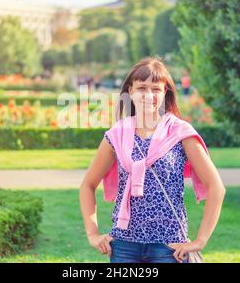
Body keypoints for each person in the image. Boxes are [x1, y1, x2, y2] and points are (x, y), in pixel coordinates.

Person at [79, 57, 225, 263]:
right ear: (130, 91)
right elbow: (88, 185)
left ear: (165, 92)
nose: (148, 95)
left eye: (156, 89)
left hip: (169, 246)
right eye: (142, 88)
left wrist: (200, 240)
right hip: (124, 245)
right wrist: (92, 234)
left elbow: (216, 187)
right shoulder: (116, 135)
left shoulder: (181, 133)